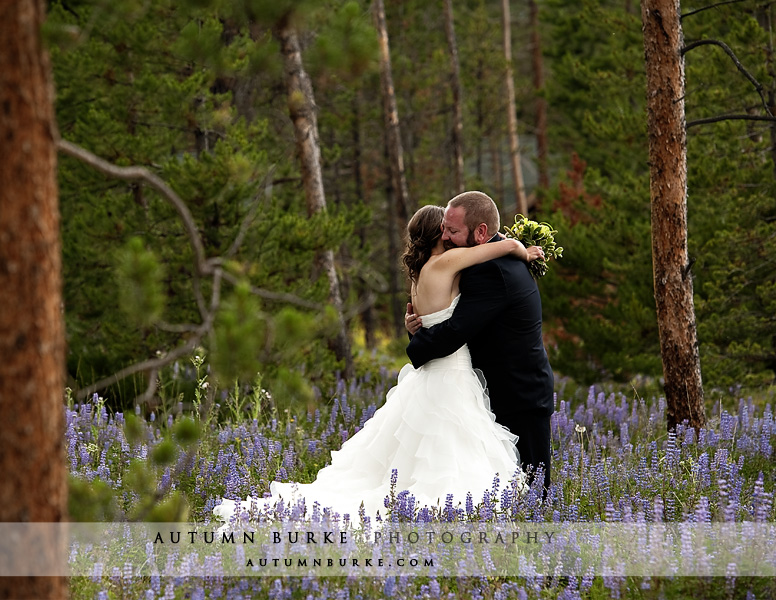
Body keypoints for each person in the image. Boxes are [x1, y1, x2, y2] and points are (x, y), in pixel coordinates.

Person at [212, 204, 544, 524]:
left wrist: (412, 329)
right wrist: (521, 249)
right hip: (450, 374)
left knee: (417, 454)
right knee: (447, 453)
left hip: (429, 375)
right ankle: (448, 513)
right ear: (437, 235)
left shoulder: (420, 274)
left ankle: (421, 507)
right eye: (444, 227)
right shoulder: (447, 263)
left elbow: (431, 318)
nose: (448, 231)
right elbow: (498, 249)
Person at [405, 191, 555, 492]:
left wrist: (416, 344)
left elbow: (455, 331)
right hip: (493, 390)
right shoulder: (487, 257)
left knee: (532, 492)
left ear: (481, 232)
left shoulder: (490, 271)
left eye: (453, 230)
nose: (445, 236)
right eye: (443, 229)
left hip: (516, 395)